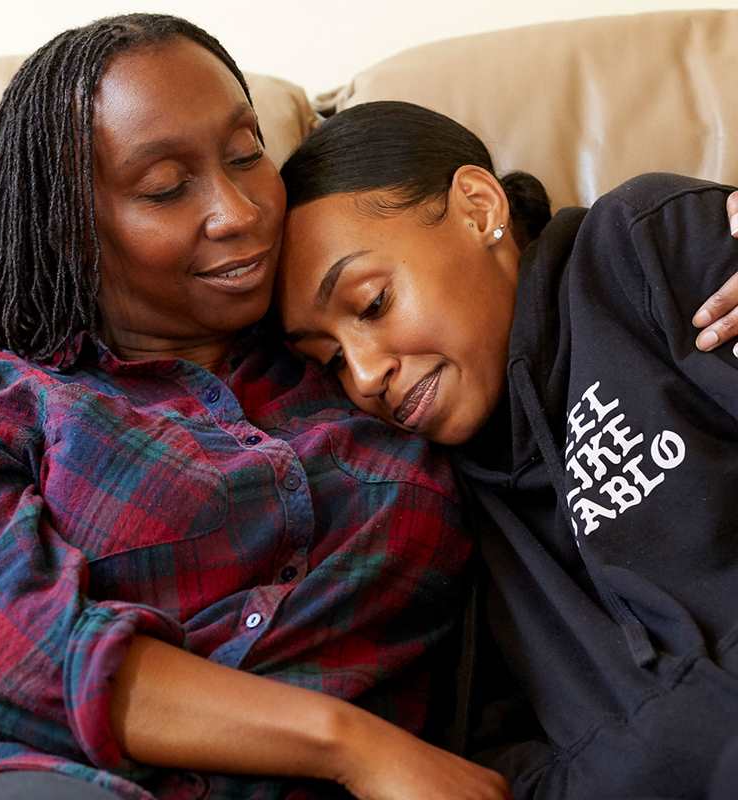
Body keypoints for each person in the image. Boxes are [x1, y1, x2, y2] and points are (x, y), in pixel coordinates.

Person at [0, 17, 523, 800]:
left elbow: (557, 307)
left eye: (248, 154)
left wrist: (706, 238)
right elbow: (6, 650)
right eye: (166, 187)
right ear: (70, 224)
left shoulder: (374, 359)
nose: (240, 211)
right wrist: (350, 744)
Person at [276, 100, 738, 799]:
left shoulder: (642, 249)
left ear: (477, 207)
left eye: (372, 304)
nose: (365, 376)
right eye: (332, 361)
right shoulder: (428, 508)